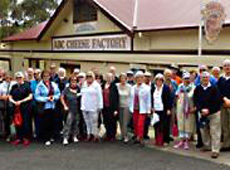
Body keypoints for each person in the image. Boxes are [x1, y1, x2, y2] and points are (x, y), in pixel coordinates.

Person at [193, 71, 222, 159]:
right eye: (203, 77)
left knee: (215, 132)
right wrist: (200, 109)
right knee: (203, 130)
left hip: (214, 113)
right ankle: (207, 146)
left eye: (206, 77)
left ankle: (215, 150)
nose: (205, 79)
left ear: (209, 78)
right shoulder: (197, 88)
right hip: (202, 113)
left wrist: (209, 110)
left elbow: (217, 102)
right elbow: (196, 100)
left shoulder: (214, 88)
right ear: (200, 79)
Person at [34, 70, 60, 146]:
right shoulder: (40, 85)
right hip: (45, 107)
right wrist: (47, 99)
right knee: (45, 123)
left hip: (53, 106)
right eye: (44, 76)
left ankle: (52, 136)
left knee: (53, 122)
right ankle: (46, 138)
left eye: (47, 76)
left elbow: (58, 93)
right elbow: (37, 97)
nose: (46, 77)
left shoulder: (54, 84)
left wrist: (54, 98)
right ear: (42, 77)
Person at [9, 72, 33, 146]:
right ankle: (19, 138)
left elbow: (30, 96)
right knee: (17, 123)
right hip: (16, 108)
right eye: (17, 77)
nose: (18, 79)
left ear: (23, 78)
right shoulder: (14, 86)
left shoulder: (27, 85)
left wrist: (21, 101)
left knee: (26, 123)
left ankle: (26, 138)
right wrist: (14, 102)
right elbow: (10, 96)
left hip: (25, 107)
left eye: (20, 77)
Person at [173, 72, 196, 150]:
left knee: (188, 124)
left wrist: (193, 107)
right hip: (180, 108)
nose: (187, 80)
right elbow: (177, 96)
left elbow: (192, 97)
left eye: (188, 78)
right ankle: (181, 141)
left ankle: (186, 141)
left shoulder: (193, 87)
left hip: (189, 108)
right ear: (182, 79)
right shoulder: (180, 86)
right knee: (181, 123)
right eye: (185, 78)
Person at [129, 71, 151, 145]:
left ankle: (140, 137)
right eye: (138, 77)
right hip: (135, 108)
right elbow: (131, 98)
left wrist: (148, 110)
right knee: (135, 123)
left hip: (143, 109)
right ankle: (137, 136)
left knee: (140, 124)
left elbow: (149, 100)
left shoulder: (147, 88)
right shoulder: (133, 87)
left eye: (141, 77)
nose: (139, 79)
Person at [81, 71, 103, 142]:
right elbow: (82, 94)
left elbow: (100, 96)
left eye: (90, 76)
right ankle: (89, 134)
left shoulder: (97, 85)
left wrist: (100, 106)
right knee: (87, 121)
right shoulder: (84, 84)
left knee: (94, 122)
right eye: (87, 76)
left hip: (93, 106)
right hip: (84, 106)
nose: (89, 78)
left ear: (93, 77)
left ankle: (95, 135)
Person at [151, 73, 172, 146]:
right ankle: (157, 139)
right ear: (155, 80)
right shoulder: (153, 88)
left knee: (165, 126)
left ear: (163, 80)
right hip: (156, 109)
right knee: (156, 125)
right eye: (157, 80)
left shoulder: (166, 88)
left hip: (164, 109)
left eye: (160, 80)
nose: (159, 81)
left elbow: (169, 99)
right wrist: (152, 107)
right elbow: (151, 98)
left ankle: (165, 140)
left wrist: (169, 109)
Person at [61, 76, 81, 145]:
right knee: (68, 124)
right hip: (69, 109)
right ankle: (65, 138)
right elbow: (62, 97)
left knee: (76, 123)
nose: (74, 82)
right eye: (72, 81)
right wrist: (65, 106)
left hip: (77, 109)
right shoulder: (66, 89)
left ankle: (74, 136)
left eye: (75, 81)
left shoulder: (79, 89)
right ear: (70, 82)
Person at [102, 73, 119, 141]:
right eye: (107, 77)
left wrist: (116, 109)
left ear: (112, 79)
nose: (109, 79)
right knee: (106, 121)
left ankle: (112, 136)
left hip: (112, 107)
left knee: (112, 122)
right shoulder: (102, 85)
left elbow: (116, 98)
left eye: (110, 77)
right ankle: (108, 135)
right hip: (104, 107)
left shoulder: (114, 86)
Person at [217, 59, 230, 151]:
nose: (227, 67)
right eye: (225, 65)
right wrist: (224, 99)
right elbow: (218, 92)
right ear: (223, 68)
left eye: (229, 65)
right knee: (224, 126)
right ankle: (226, 144)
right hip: (223, 105)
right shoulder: (221, 79)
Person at [117, 73, 131, 143]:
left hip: (126, 106)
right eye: (121, 78)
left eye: (124, 78)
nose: (123, 79)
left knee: (125, 122)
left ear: (126, 79)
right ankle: (122, 135)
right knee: (121, 121)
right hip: (119, 106)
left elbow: (131, 97)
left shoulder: (129, 87)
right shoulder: (117, 86)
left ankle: (126, 136)